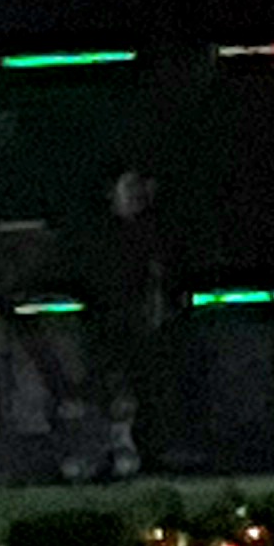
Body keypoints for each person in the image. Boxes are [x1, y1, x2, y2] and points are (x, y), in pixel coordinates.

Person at [75, 167, 177, 479]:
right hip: (111, 326)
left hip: (144, 326)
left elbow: (160, 277)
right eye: (128, 186)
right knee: (112, 388)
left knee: (147, 389)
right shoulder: (100, 236)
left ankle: (146, 451)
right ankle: (107, 452)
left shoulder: (153, 232)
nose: (135, 193)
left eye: (138, 186)